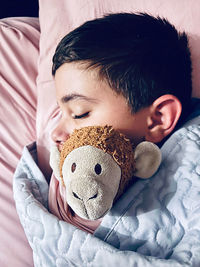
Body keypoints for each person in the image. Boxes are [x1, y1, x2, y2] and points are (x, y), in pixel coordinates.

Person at [14, 13, 200, 266]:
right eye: (60, 113)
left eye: (79, 113)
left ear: (158, 118)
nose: (56, 134)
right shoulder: (60, 178)